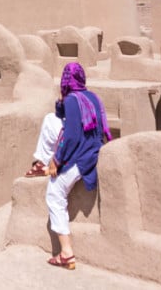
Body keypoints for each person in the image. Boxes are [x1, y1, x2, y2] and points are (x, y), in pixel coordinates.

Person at [44, 61, 111, 270]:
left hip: (81, 157)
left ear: (65, 80)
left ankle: (66, 252)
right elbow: (61, 117)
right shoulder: (91, 97)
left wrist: (57, 160)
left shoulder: (74, 100)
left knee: (54, 194)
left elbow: (71, 136)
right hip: (93, 151)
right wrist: (61, 102)